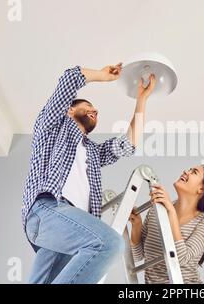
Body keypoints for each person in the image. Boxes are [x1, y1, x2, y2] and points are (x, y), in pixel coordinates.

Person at [22, 63, 156, 284]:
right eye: (88, 106)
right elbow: (69, 79)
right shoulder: (51, 128)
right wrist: (103, 76)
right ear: (69, 110)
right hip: (48, 210)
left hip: (69, 226)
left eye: (96, 110)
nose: (95, 111)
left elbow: (128, 145)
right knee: (108, 244)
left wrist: (141, 100)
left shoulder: (92, 152)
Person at [129, 165, 204, 283]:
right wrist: (136, 225)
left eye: (193, 172)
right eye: (189, 169)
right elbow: (137, 256)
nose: (186, 171)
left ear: (201, 189)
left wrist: (171, 212)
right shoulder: (156, 210)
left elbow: (180, 259)